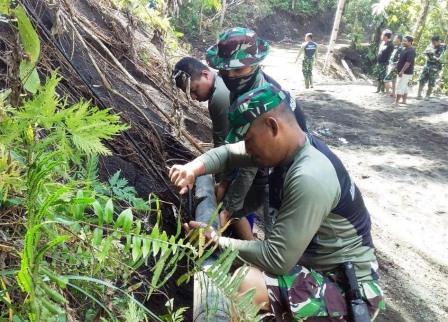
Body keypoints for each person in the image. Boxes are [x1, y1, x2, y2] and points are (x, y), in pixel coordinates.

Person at [169, 83, 385, 321]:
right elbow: (229, 153)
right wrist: (193, 168)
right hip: (316, 271)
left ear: (273, 126)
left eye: (249, 139)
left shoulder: (309, 175)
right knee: (238, 267)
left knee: (246, 283)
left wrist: (215, 240)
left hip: (349, 293)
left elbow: (277, 259)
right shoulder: (289, 150)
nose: (247, 149)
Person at [205, 27, 308, 238]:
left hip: (289, 163)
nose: (231, 76)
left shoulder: (261, 98)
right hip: (265, 154)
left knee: (277, 224)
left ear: (255, 64)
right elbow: (236, 143)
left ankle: (264, 262)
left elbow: (251, 162)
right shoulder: (240, 88)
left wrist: (228, 210)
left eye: (238, 70)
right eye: (225, 71)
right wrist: (224, 181)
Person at [417, 35, 447, 99]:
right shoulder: (430, 45)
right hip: (427, 65)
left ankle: (427, 95)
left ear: (439, 41)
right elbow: (425, 53)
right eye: (432, 42)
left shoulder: (442, 47)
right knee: (422, 79)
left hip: (435, 67)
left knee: (431, 81)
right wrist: (427, 55)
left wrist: (432, 55)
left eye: (434, 42)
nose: (433, 44)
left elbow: (440, 58)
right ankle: (419, 94)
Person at [395, 35, 416, 105]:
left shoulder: (411, 50)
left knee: (400, 86)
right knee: (406, 86)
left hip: (406, 72)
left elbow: (408, 62)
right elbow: (402, 60)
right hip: (406, 72)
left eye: (405, 41)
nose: (403, 42)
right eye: (403, 41)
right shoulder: (404, 49)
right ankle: (404, 100)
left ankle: (396, 102)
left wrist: (402, 71)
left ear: (410, 42)